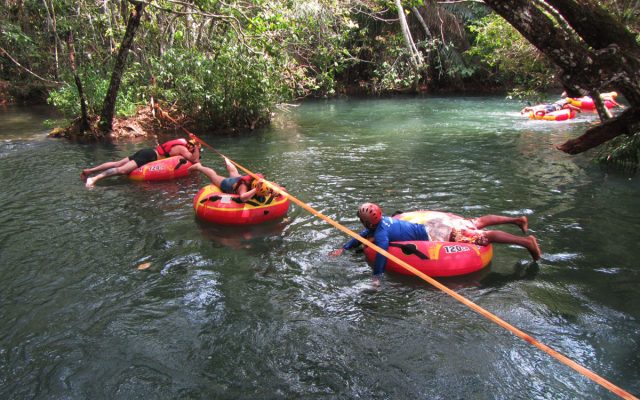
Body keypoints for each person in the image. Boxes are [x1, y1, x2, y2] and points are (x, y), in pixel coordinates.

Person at [330, 203, 541, 286]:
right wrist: (345, 247)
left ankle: (525, 242)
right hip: (433, 224)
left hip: (437, 234)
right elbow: (363, 234)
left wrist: (376, 278)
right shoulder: (381, 222)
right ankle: (517, 220)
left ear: (368, 221)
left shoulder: (382, 234)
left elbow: (382, 255)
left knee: (482, 237)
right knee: (476, 222)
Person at [80, 137, 201, 188]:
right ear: (190, 146)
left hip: (146, 151)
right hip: (150, 156)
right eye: (192, 148)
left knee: (117, 163)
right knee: (122, 170)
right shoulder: (183, 149)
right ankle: (94, 179)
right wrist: (197, 148)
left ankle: (90, 171)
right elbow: (194, 159)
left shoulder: (179, 145)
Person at [188, 158, 270, 202]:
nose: (260, 195)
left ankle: (227, 161)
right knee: (213, 176)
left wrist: (277, 191)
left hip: (239, 179)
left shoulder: (264, 183)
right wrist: (256, 190)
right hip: (230, 184)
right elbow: (243, 198)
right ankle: (198, 166)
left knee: (234, 172)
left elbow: (281, 189)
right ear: (253, 186)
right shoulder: (243, 186)